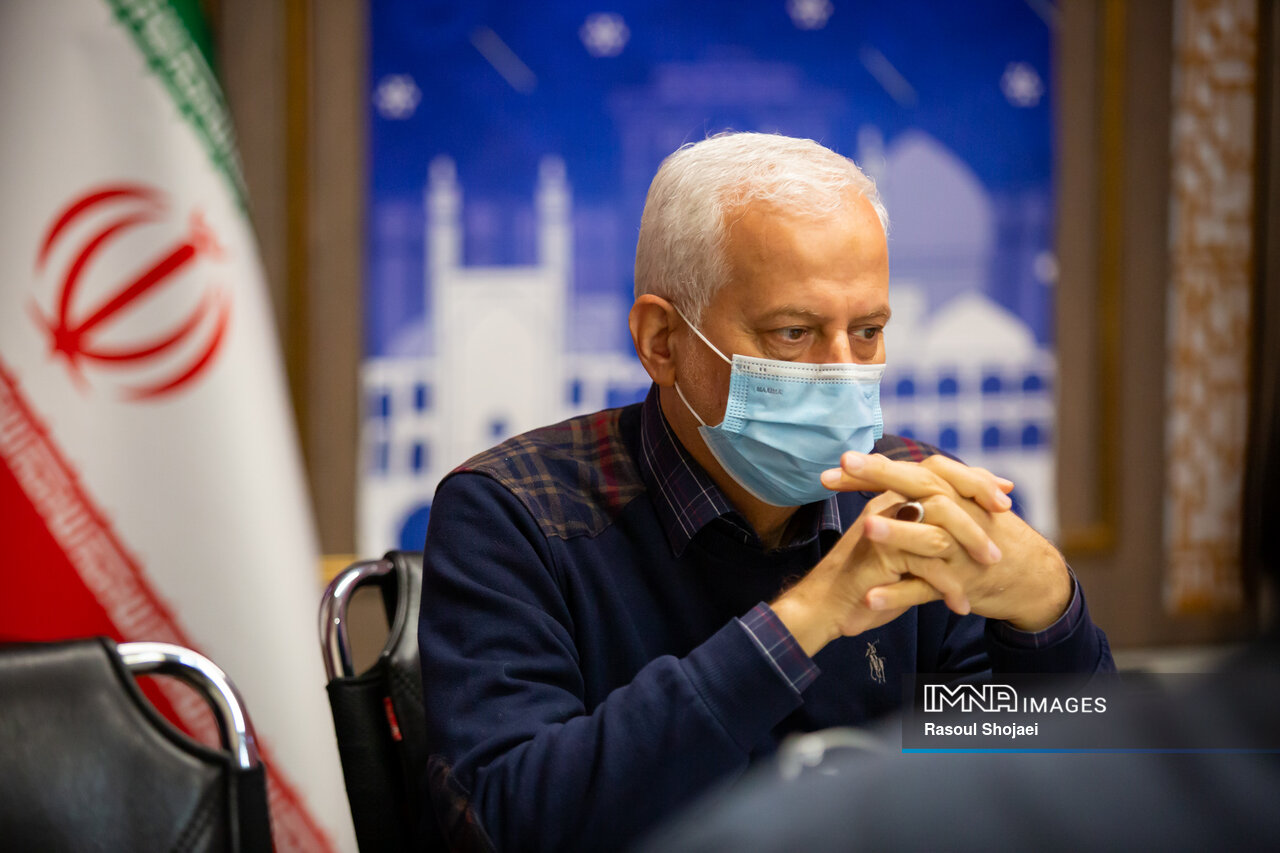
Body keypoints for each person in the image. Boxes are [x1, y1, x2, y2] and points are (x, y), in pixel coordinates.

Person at [418, 132, 1114, 852]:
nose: (842, 371)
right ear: (662, 341)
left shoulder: (916, 505)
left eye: (868, 331)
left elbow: (1032, 780)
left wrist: (1048, 611)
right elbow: (510, 822)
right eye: (793, 332)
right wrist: (806, 616)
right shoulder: (515, 514)